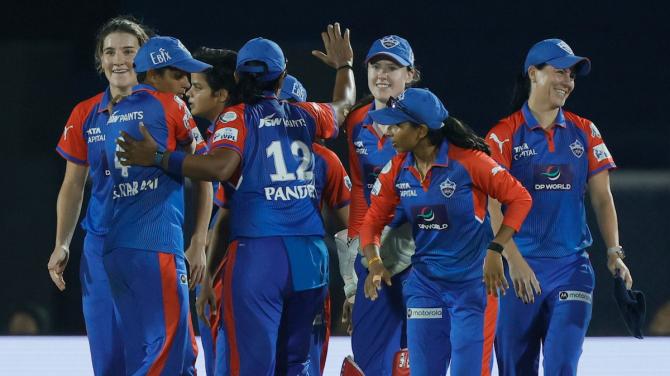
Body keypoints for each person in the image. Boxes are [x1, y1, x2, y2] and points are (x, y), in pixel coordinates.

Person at [116, 23, 355, 375]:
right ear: (282, 76)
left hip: (259, 258)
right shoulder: (306, 113)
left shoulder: (238, 117)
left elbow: (220, 166)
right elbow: (345, 105)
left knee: (251, 366)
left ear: (241, 77)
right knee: (297, 364)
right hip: (310, 257)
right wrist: (344, 66)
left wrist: (157, 158)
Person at [359, 88, 533, 376]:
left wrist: (496, 248)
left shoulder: (469, 161)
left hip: (472, 288)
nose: (388, 131)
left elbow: (521, 198)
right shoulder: (397, 169)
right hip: (425, 287)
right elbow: (372, 222)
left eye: (397, 125)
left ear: (421, 131)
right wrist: (375, 262)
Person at [487, 38, 634, 376]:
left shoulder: (585, 131)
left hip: (571, 270)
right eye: (559, 72)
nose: (567, 82)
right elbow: (493, 205)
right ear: (533, 74)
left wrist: (614, 251)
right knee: (516, 369)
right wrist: (514, 261)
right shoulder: (503, 135)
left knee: (561, 366)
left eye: (571, 75)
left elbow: (602, 198)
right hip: (517, 273)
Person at [101, 35, 211, 375]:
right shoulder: (170, 105)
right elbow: (207, 166)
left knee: (165, 351)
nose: (187, 83)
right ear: (153, 75)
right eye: (179, 75)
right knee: (166, 351)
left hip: (118, 249)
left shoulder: (114, 114)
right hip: (156, 246)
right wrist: (200, 240)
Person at [47, 16, 150, 376]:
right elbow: (73, 184)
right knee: (106, 358)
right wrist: (63, 242)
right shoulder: (85, 113)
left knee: (152, 353)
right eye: (109, 52)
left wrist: (198, 240)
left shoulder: (165, 108)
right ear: (100, 59)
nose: (118, 60)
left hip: (150, 246)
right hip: (100, 248)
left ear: (144, 56)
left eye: (128, 51)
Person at [342, 35, 420, 376]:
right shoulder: (357, 121)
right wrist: (353, 271)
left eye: (392, 67)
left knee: (413, 362)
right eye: (376, 66)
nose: (382, 75)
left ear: (411, 74)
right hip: (375, 257)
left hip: (420, 259)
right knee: (371, 363)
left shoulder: (425, 122)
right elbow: (359, 190)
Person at [184, 46, 239, 376]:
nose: (190, 92)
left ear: (221, 94)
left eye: (198, 87)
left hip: (237, 269)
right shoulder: (211, 135)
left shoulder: (234, 138)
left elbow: (229, 214)